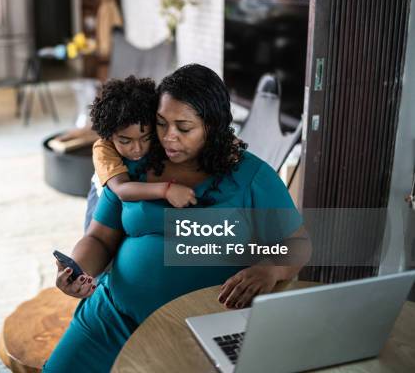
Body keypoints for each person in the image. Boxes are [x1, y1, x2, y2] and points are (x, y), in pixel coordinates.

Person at [44, 64, 309, 373]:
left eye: (183, 128)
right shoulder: (136, 164)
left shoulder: (252, 176)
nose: (169, 138)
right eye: (161, 123)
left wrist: (270, 269)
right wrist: (79, 272)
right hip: (112, 319)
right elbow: (100, 238)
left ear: (212, 126)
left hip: (197, 333)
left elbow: (297, 243)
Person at [90, 75, 197, 209]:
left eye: (146, 138)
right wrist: (167, 190)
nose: (137, 148)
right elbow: (121, 188)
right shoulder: (103, 149)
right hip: (105, 195)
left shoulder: (159, 134)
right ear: (110, 136)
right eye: (125, 141)